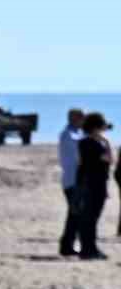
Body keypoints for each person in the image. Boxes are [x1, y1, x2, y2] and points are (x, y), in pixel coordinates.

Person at [75, 112, 113, 259]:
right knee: (91, 218)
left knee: (89, 218)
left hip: (89, 183)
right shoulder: (92, 144)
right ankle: (89, 250)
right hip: (94, 184)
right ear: (96, 127)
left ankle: (89, 248)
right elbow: (109, 159)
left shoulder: (84, 143)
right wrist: (106, 142)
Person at [57, 108, 86, 257]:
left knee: (75, 214)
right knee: (75, 214)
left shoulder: (76, 133)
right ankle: (66, 245)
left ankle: (68, 245)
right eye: (82, 118)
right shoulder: (68, 134)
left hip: (76, 179)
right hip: (72, 179)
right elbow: (79, 150)